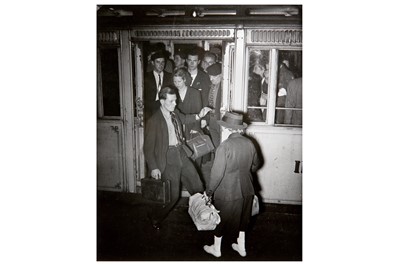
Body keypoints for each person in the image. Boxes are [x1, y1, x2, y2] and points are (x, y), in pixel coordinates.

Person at [144, 87, 211, 230]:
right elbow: (148, 148)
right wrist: (154, 167)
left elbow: (185, 118)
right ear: (162, 101)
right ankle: (155, 217)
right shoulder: (154, 121)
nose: (175, 104)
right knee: (173, 197)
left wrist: (199, 115)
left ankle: (203, 216)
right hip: (168, 159)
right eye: (171, 101)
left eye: (175, 100)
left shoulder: (174, 113)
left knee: (197, 185)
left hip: (181, 153)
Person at [203, 112, 261, 258]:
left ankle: (216, 250)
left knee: (219, 221)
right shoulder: (250, 143)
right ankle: (241, 248)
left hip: (227, 192)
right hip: (247, 189)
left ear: (227, 129)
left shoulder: (225, 146)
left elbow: (217, 174)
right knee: (244, 219)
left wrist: (209, 192)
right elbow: (256, 164)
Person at [173, 68, 203, 140]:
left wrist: (196, 127)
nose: (177, 84)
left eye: (179, 81)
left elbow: (198, 111)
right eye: (175, 81)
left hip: (191, 126)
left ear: (185, 80)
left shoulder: (195, 93)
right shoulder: (173, 93)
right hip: (178, 127)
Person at [144, 51, 173, 122]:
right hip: (150, 109)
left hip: (165, 108)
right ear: (152, 63)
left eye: (163, 62)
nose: (161, 65)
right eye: (158, 62)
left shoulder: (170, 76)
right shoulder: (145, 77)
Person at [276, 59, 295, 124]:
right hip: (283, 99)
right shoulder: (287, 72)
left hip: (281, 99)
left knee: (279, 118)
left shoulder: (283, 72)